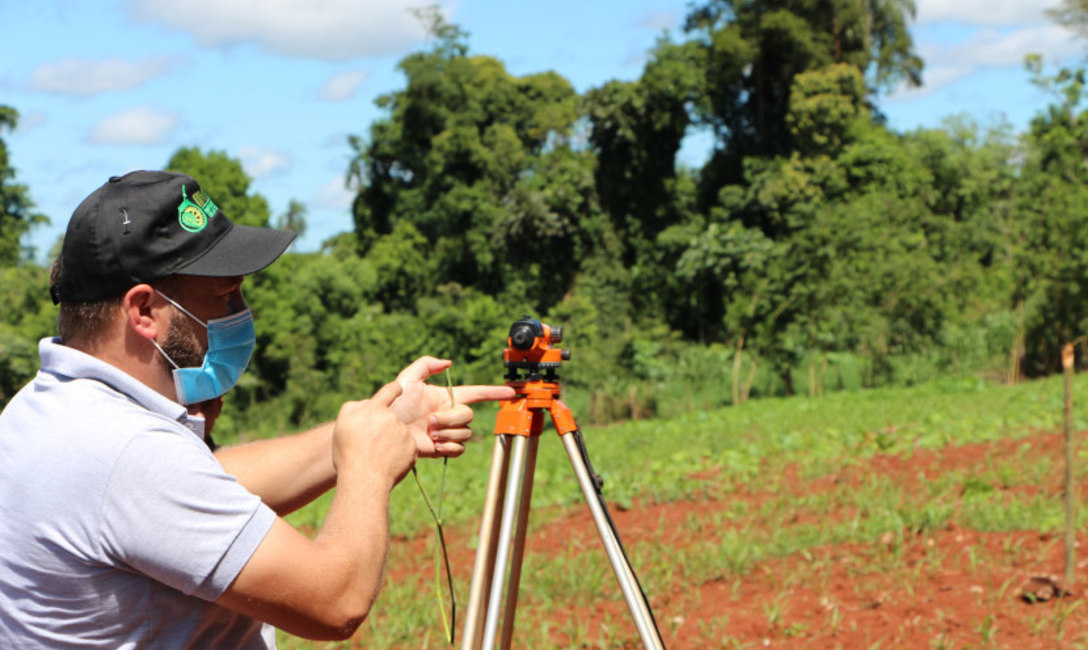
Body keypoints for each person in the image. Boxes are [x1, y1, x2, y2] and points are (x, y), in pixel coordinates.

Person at [0, 170, 514, 648]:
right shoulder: (129, 453)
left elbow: (207, 481)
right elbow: (334, 602)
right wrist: (367, 468)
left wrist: (378, 425)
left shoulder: (47, 413)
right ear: (144, 311)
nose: (241, 315)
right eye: (224, 296)